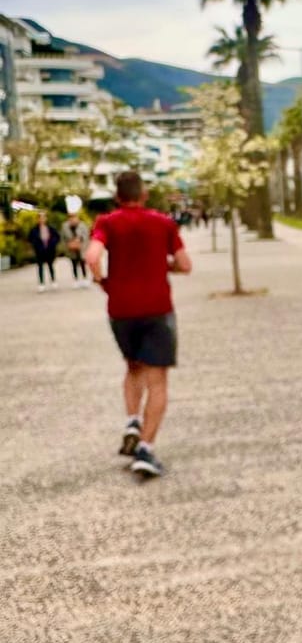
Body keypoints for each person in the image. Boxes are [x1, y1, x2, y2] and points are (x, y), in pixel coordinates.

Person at [84, 170, 192, 477]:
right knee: (157, 380)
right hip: (157, 309)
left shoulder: (106, 222)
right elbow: (185, 264)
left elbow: (92, 256)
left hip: (121, 310)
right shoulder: (164, 223)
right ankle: (146, 449)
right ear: (144, 195)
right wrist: (165, 266)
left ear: (117, 197)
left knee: (133, 368)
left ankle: (132, 420)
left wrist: (103, 281)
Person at [27, 210, 60, 292]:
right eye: (40, 218)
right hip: (39, 251)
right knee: (40, 267)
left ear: (46, 218)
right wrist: (36, 245)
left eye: (43, 217)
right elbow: (30, 239)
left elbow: (57, 237)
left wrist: (52, 244)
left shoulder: (51, 228)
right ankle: (41, 283)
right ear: (37, 219)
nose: (42, 219)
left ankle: (53, 281)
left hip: (49, 250)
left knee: (50, 266)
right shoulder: (34, 230)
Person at [61, 210, 91, 286]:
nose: (73, 219)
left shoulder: (82, 225)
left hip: (81, 248)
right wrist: (68, 244)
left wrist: (80, 239)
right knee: (73, 264)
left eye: (75, 218)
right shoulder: (65, 226)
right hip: (71, 249)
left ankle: (85, 278)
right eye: (71, 218)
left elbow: (86, 235)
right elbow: (63, 237)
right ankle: (76, 279)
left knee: (82, 263)